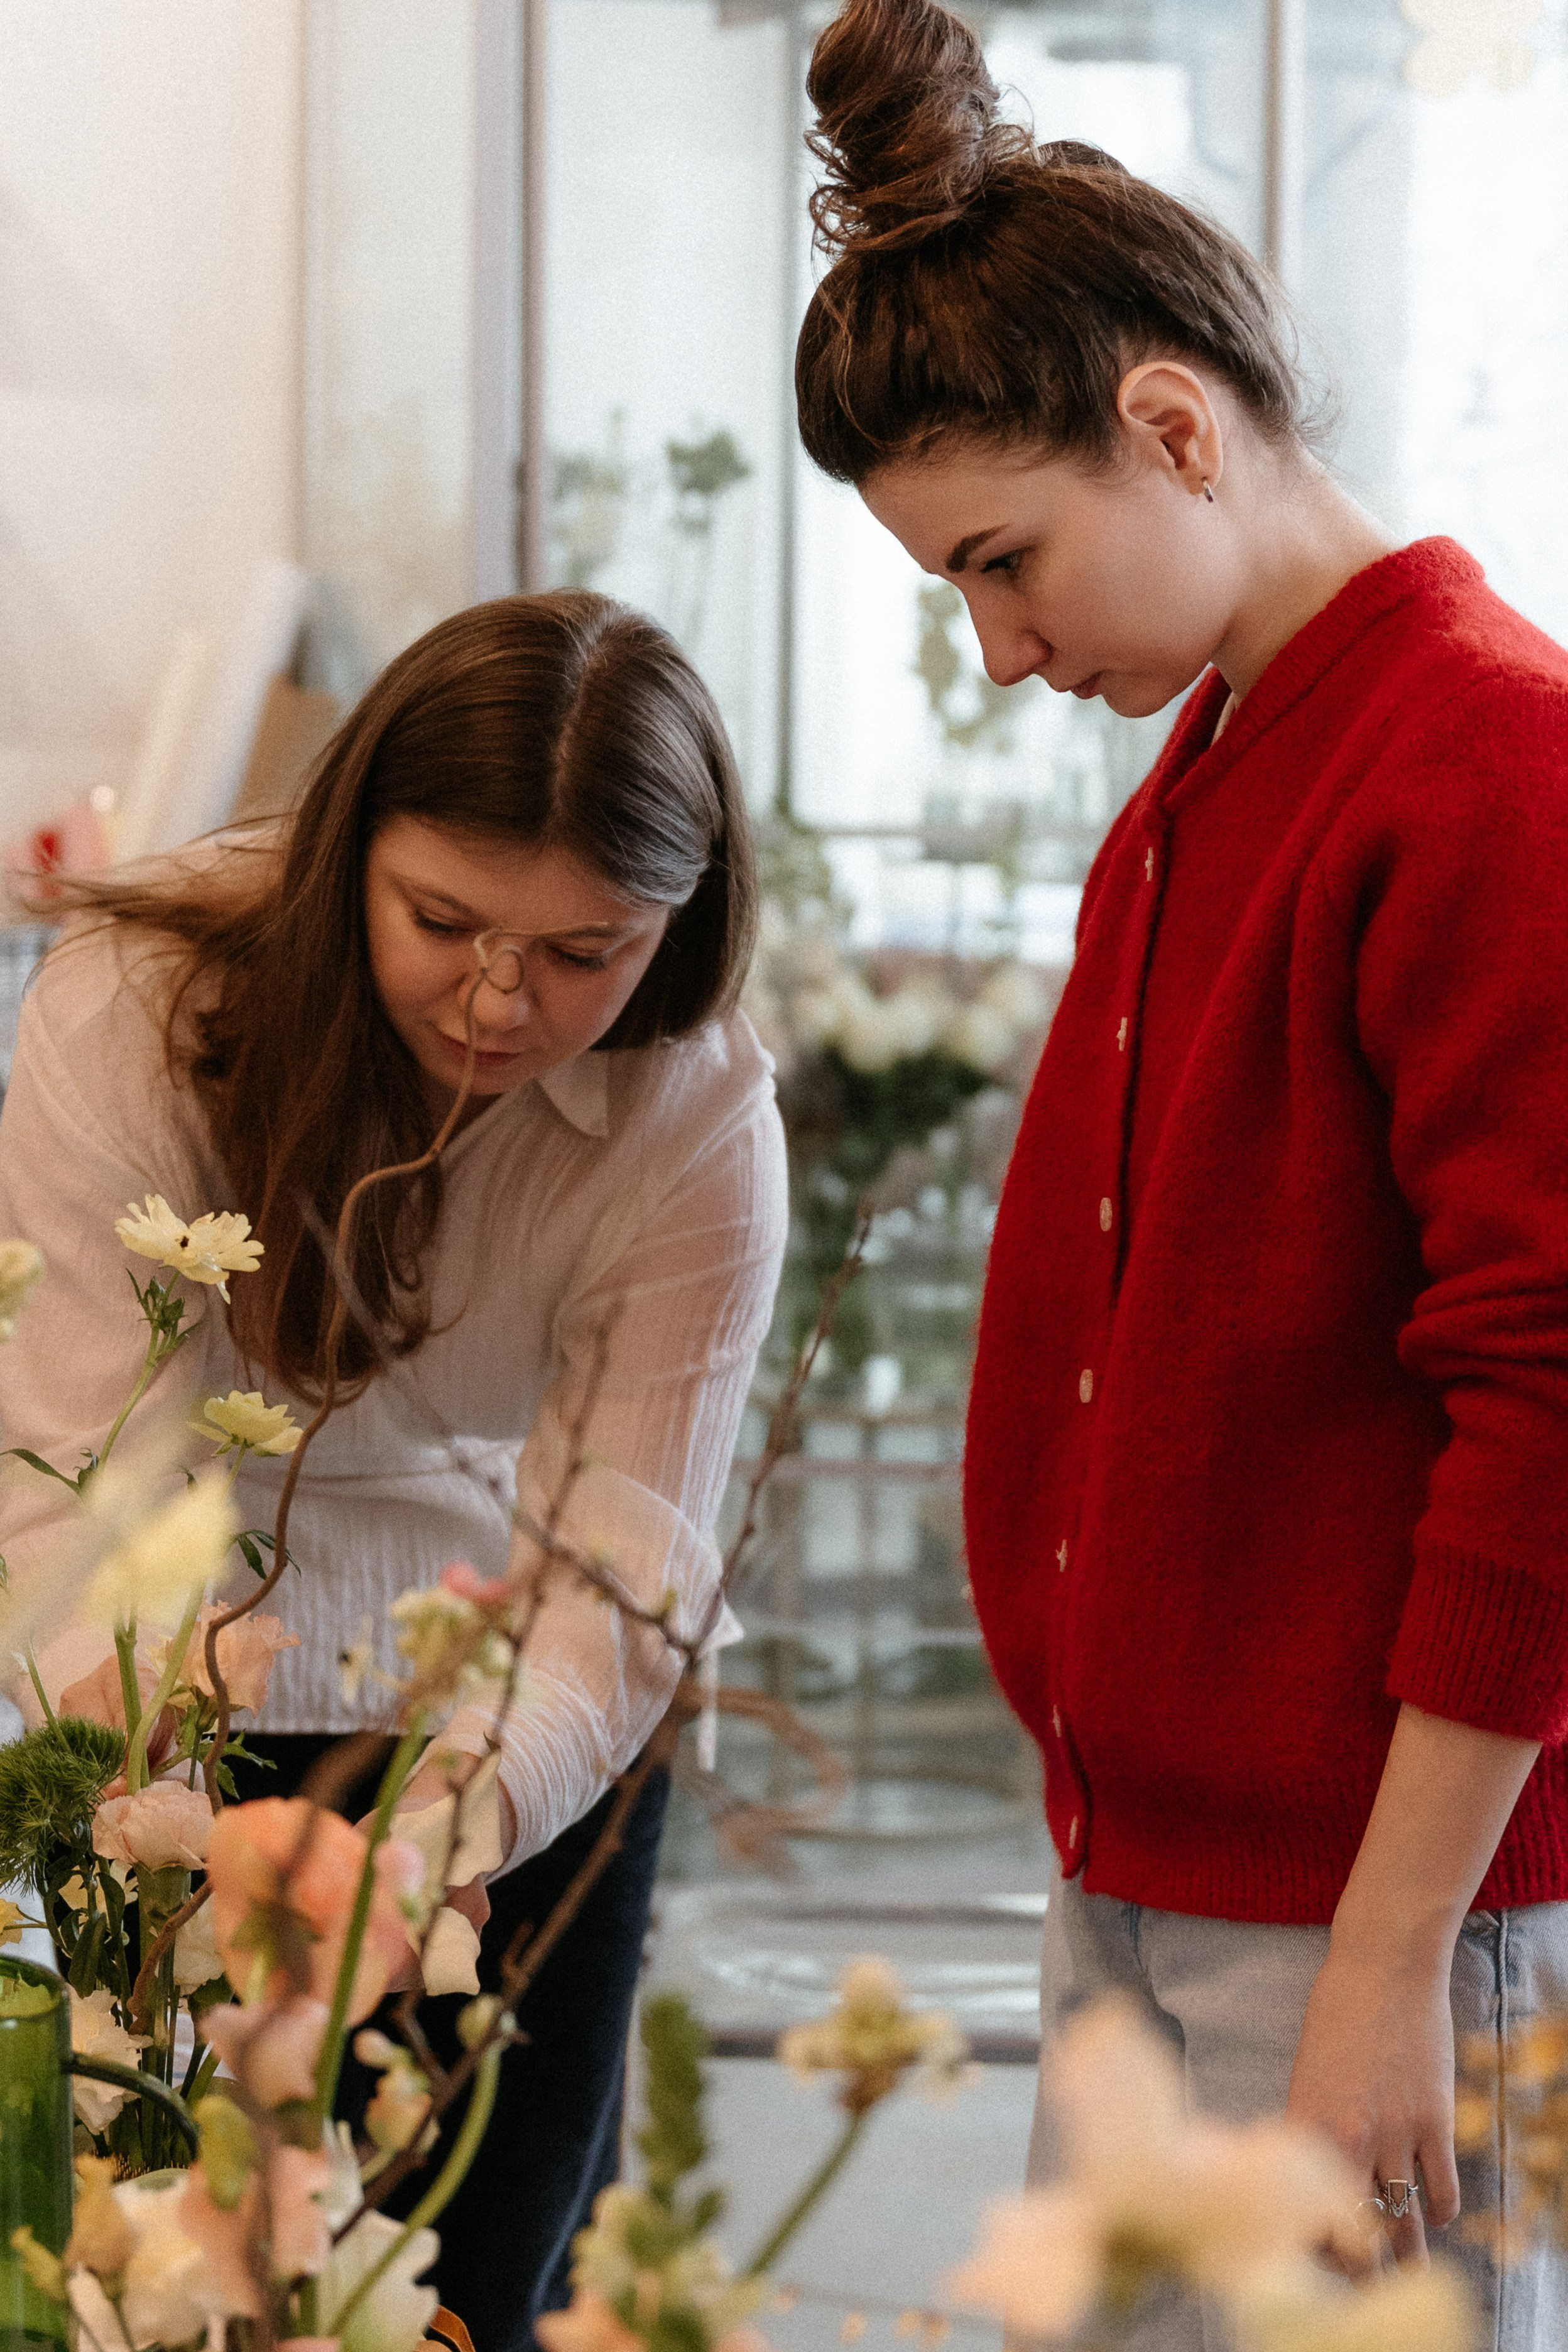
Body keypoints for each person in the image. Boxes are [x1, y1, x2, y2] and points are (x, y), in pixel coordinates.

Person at [794, 0, 1568, 2341]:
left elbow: (1547, 1406)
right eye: (953, 587)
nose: (1001, 648)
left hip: (1360, 1916)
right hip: (1157, 1876)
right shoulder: (1213, 768)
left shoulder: (1488, 772)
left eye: (1003, 562)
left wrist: (1388, 1961)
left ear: (1170, 423)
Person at [0, 590, 788, 2350]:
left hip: (510, 1724)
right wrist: (162, 1787)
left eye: (588, 952)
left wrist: (461, 1821)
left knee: (466, 2286)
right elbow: (75, 1470)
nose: (502, 1001)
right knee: (157, 2285)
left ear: (681, 920)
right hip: (173, 1686)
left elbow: (621, 1556)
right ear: (351, 844)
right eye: (443, 922)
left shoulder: (700, 1111)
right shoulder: (133, 997)